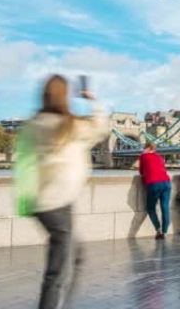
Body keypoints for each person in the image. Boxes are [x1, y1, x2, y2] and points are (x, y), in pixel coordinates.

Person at [24, 75, 109, 309]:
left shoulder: (34, 124)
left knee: (73, 253)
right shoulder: (69, 125)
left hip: (39, 202)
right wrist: (93, 101)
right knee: (59, 271)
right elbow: (100, 127)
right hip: (58, 202)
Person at [138, 141, 172, 240]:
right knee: (165, 207)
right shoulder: (160, 157)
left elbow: (141, 171)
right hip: (167, 183)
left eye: (144, 148)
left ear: (147, 148)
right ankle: (165, 232)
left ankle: (158, 230)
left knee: (150, 208)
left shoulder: (143, 156)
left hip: (154, 184)